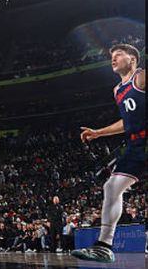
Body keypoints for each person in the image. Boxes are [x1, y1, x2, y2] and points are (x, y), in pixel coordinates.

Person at [72, 44, 145, 263]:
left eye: (118, 55)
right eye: (112, 56)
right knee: (111, 186)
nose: (113, 59)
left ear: (133, 59)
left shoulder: (141, 78)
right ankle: (104, 247)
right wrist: (98, 132)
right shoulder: (117, 90)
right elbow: (127, 121)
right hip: (136, 145)